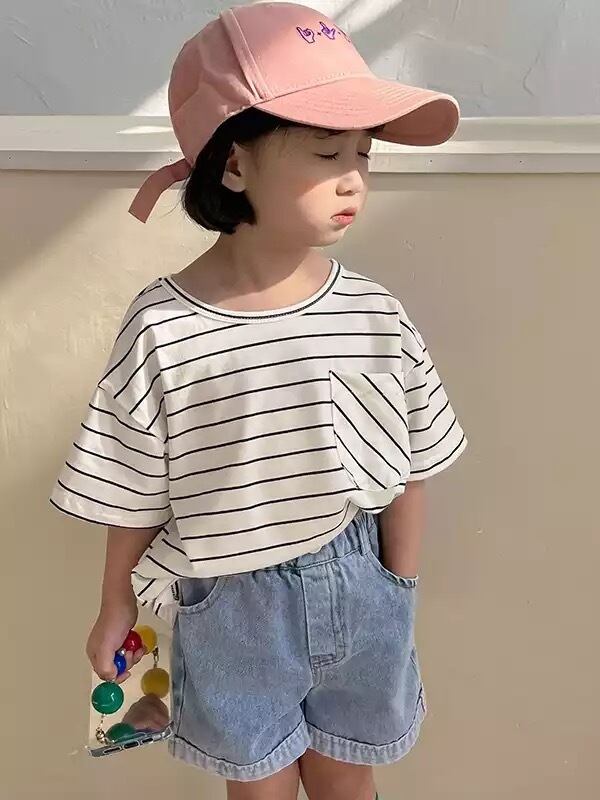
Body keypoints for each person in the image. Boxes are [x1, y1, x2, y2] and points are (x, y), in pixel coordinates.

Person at [50, 4, 466, 799]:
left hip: (363, 586)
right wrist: (114, 604)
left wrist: (397, 589)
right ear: (235, 165)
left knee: (348, 780)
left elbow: (413, 464)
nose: (354, 176)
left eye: (363, 153)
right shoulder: (165, 325)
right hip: (228, 603)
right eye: (326, 151)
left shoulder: (374, 313)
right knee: (259, 788)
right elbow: (132, 485)